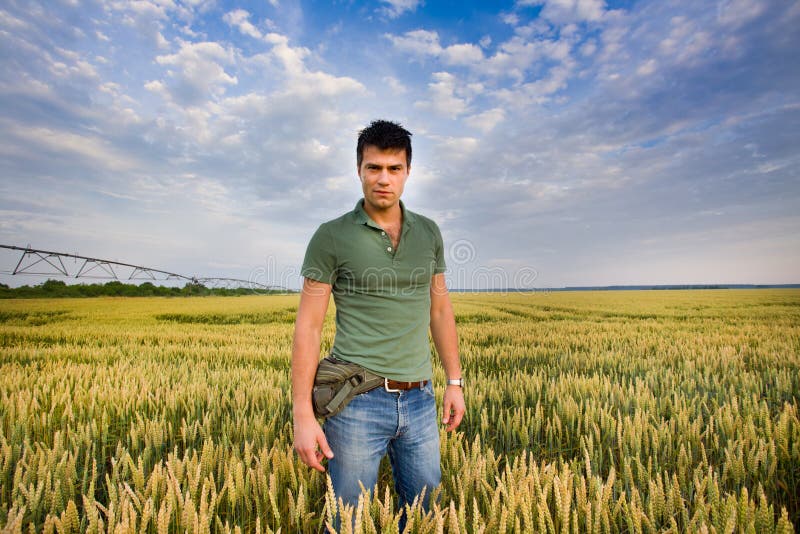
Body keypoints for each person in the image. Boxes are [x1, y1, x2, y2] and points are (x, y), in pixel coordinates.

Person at [292, 119, 465, 526]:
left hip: (421, 400)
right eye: (374, 168)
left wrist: (453, 382)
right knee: (348, 521)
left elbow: (439, 310)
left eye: (393, 168)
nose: (383, 179)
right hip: (357, 401)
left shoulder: (429, 233)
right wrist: (302, 412)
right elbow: (309, 327)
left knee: (423, 517)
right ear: (358, 170)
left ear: (408, 172)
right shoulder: (331, 236)